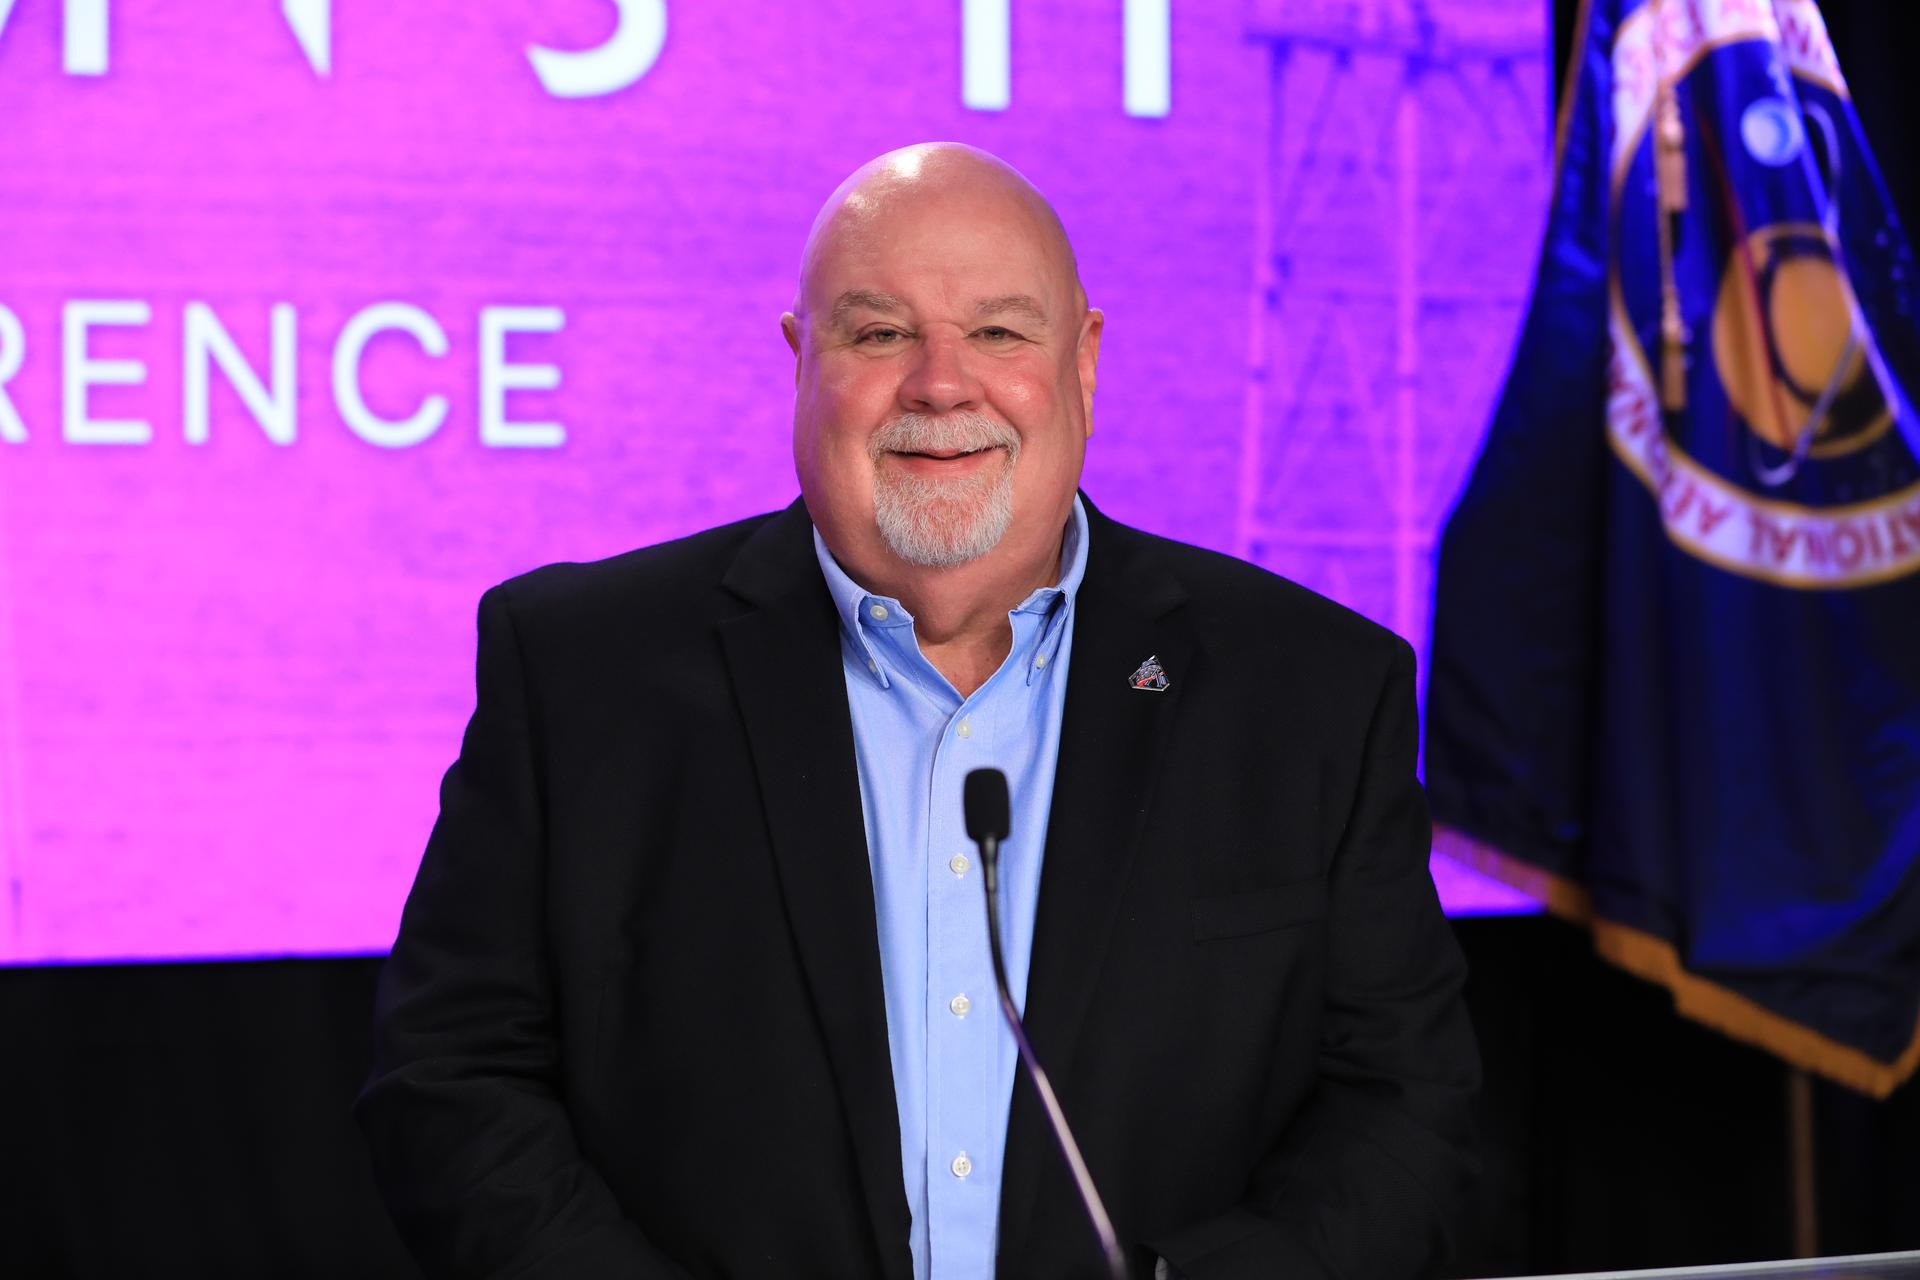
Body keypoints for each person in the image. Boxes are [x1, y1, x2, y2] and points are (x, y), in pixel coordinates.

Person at [356, 142, 1479, 1280]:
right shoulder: (581, 671)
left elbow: (1400, 1105)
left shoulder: (1311, 690)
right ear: (801, 361)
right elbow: (451, 1082)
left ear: (1084, 362)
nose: (943, 384)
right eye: (880, 332)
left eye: (998, 332)